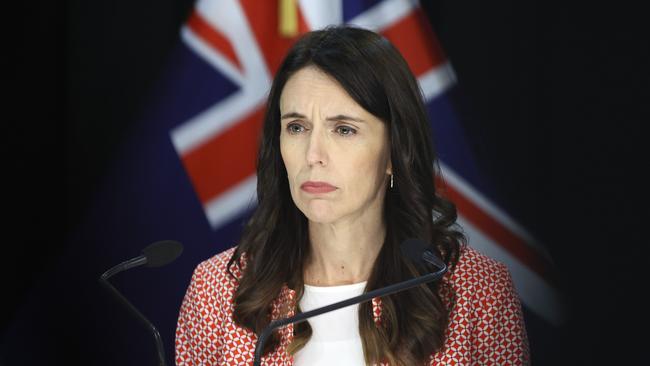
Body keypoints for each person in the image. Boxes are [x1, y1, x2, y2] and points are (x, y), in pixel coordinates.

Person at [175, 25, 529, 365]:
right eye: (296, 127)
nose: (313, 155)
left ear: (393, 152)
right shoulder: (217, 291)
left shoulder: (479, 291)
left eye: (344, 129)